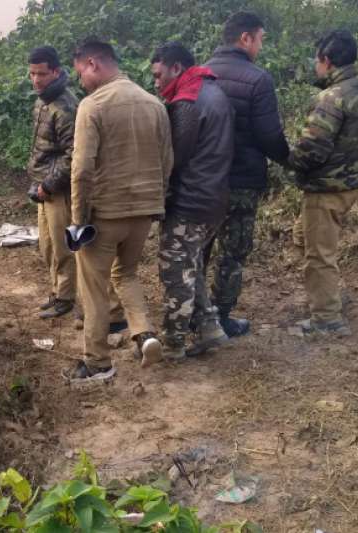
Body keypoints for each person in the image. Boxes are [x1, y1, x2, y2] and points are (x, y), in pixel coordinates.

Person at [66, 38, 173, 381]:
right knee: (125, 274)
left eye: (79, 71)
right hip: (144, 211)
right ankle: (145, 334)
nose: (80, 79)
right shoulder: (154, 103)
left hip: (105, 214)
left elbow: (81, 170)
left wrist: (78, 221)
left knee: (94, 286)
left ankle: (97, 363)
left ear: (93, 64)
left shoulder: (92, 106)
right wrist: (155, 201)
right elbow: (167, 160)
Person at [204, 12, 290, 338]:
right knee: (232, 252)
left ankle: (192, 313)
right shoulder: (258, 79)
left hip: (203, 181)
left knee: (199, 247)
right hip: (241, 182)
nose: (261, 46)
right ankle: (220, 316)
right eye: (261, 39)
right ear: (245, 38)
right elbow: (270, 136)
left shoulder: (201, 73)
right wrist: (288, 159)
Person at [288, 30, 358, 336]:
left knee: (319, 254)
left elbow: (312, 150)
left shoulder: (331, 97)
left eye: (317, 60)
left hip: (327, 189)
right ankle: (327, 292)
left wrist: (289, 159)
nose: (315, 66)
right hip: (349, 184)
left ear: (326, 60)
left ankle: (327, 319)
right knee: (303, 237)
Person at [150, 42, 235, 360]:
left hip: (191, 200)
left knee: (175, 271)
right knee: (192, 265)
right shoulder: (215, 92)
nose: (157, 83)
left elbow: (175, 157)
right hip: (215, 197)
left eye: (159, 75)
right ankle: (211, 328)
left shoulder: (186, 101)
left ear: (176, 68)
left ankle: (173, 344)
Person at [26, 46, 79, 320]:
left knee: (62, 246)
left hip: (58, 189)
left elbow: (74, 155)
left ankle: (66, 297)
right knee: (47, 246)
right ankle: (58, 291)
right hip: (42, 186)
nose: (36, 79)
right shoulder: (42, 100)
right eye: (32, 74)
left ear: (56, 72)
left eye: (42, 74)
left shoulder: (66, 105)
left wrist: (49, 184)